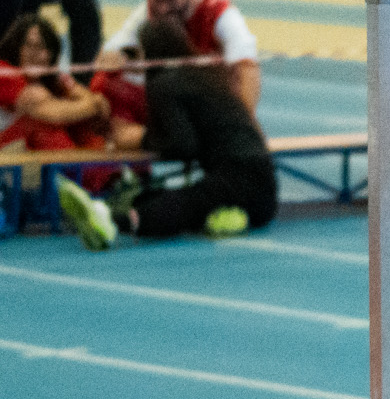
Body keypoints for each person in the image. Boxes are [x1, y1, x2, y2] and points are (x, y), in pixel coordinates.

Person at [56, 18, 278, 251]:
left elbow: (182, 145)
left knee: (185, 203)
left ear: (151, 53)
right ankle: (112, 215)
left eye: (139, 53)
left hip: (243, 183)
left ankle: (112, 220)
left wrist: (140, 138)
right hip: (262, 183)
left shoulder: (166, 83)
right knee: (184, 198)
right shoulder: (208, 73)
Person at [101, 0, 260, 112]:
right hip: (177, 100)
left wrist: (246, 122)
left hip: (217, 102)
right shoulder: (150, 9)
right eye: (158, 0)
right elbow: (116, 45)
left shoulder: (219, 12)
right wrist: (117, 56)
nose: (163, 9)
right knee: (105, 80)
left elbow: (248, 66)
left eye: (171, 0)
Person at [0, 14, 108, 152]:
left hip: (24, 149)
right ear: (16, 46)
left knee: (82, 124)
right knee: (41, 123)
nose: (43, 56)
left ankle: (100, 163)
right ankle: (76, 164)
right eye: (33, 47)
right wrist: (94, 103)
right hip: (6, 152)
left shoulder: (53, 77)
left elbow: (85, 96)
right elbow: (52, 113)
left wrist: (91, 103)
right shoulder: (5, 72)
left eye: (48, 49)